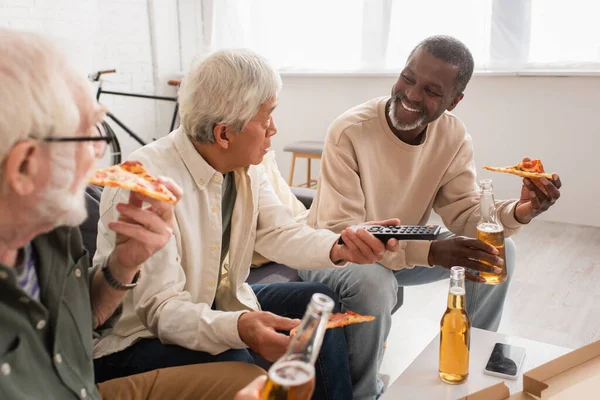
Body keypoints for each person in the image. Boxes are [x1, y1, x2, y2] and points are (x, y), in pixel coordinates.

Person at [92, 48, 400, 400]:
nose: (274, 129)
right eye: (267, 117)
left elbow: (278, 231)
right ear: (224, 134)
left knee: (320, 310)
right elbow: (163, 313)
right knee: (238, 359)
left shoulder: (246, 166)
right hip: (138, 340)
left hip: (218, 305)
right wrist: (241, 329)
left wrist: (339, 245)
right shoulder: (147, 184)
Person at [0, 27, 267, 400]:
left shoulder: (54, 230)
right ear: (24, 167)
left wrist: (121, 266)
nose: (100, 153)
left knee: (250, 382)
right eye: (87, 136)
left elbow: (83, 318)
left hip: (82, 384)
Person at [300, 35, 562, 399]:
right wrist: (429, 253)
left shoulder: (452, 135)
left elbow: (467, 212)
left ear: (455, 100)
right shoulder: (349, 131)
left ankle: (470, 365)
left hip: (400, 245)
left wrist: (522, 210)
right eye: (408, 78)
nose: (411, 94)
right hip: (331, 251)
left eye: (431, 90)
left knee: (500, 251)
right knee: (374, 282)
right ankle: (363, 394)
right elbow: (346, 234)